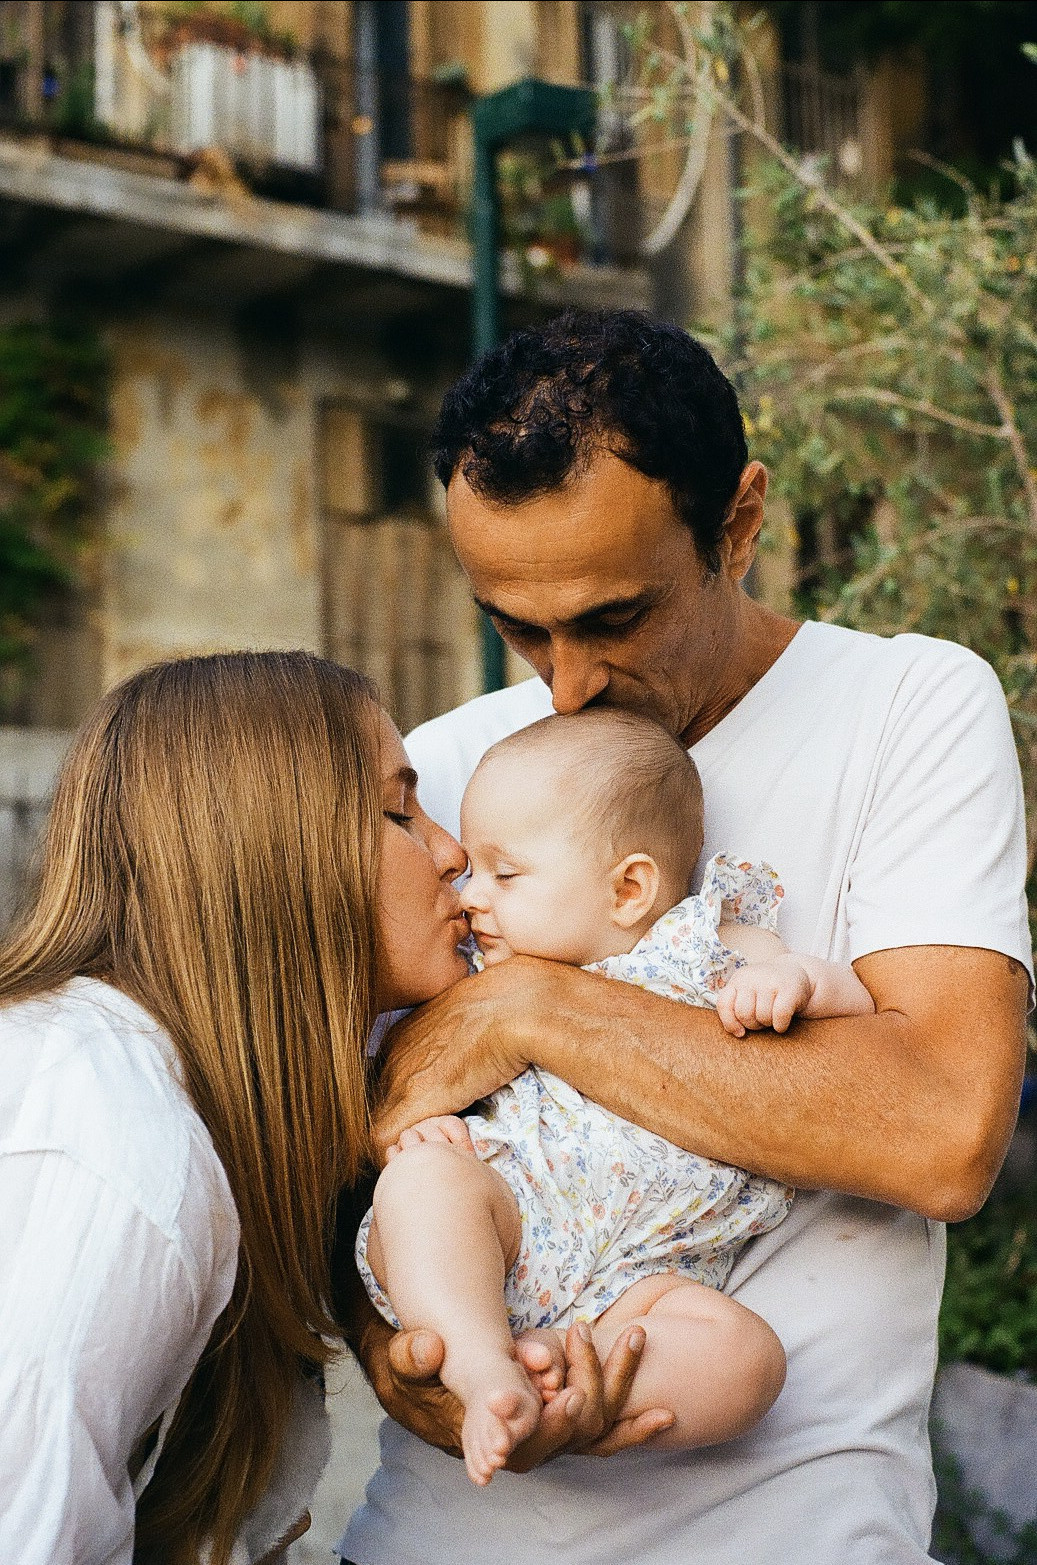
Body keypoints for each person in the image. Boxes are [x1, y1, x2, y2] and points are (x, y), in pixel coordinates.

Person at [338, 309, 1032, 1565]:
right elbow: (363, 1150)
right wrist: (422, 1369)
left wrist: (526, 1007)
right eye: (516, 625)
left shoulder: (906, 710)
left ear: (739, 522)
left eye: (613, 618)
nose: (564, 684)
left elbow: (940, 1130)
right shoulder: (443, 773)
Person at [0, 650, 477, 1565]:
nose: (451, 850)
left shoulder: (158, 1102)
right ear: (274, 858)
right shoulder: (115, 1157)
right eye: (395, 811)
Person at [356, 709, 876, 1485]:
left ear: (629, 887)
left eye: (504, 873)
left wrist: (797, 982)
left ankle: (564, 1379)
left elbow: (854, 1005)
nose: (468, 895)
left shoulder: (712, 951)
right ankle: (479, 1362)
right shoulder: (471, 980)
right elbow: (414, 1084)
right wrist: (422, 1131)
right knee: (426, 1185)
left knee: (750, 1360)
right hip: (504, 1224)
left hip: (645, 1284)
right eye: (472, 872)